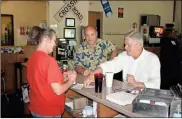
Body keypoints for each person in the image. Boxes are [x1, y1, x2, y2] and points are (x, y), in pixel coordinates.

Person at [27, 26, 77, 118]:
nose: (55, 45)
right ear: (46, 38)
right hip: (49, 112)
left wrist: (63, 78)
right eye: (54, 41)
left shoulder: (32, 58)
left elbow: (42, 82)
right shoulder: (49, 61)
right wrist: (71, 80)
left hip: (36, 108)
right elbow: (58, 91)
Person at [84, 31, 161, 89]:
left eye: (128, 45)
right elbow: (110, 65)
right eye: (125, 44)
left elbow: (156, 84)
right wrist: (93, 73)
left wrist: (136, 84)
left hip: (145, 98)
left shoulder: (152, 59)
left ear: (139, 45)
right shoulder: (124, 56)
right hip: (126, 95)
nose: (125, 48)